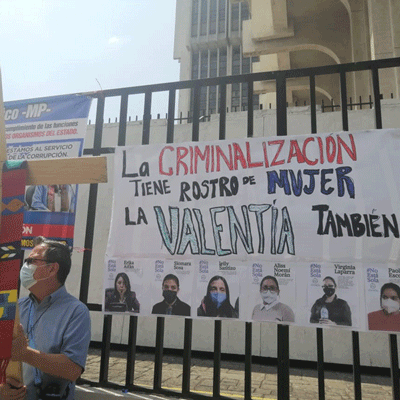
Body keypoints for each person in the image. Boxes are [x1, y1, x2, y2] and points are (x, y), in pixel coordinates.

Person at [0, 237, 91, 400]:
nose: (25, 266)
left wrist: (25, 354)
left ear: (52, 269)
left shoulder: (76, 312)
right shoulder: (16, 307)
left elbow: (73, 370)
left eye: (32, 260)